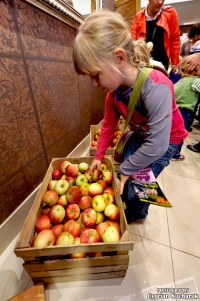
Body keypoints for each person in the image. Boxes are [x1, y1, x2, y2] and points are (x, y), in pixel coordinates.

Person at [72, 10, 188, 223]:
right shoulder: (113, 95)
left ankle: (137, 212)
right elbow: (108, 125)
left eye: (95, 75)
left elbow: (158, 145)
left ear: (118, 58)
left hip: (166, 141)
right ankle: (125, 192)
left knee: (140, 185)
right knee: (128, 165)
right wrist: (98, 157)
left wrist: (128, 169)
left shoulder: (156, 87)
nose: (94, 84)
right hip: (143, 134)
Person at [130, 0, 180, 72]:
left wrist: (175, 62)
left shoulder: (170, 13)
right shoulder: (139, 17)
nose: (160, 2)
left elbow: (175, 39)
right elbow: (133, 42)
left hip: (163, 64)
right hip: (144, 64)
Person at [170, 54, 200, 161]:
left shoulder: (181, 80)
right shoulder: (196, 81)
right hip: (185, 112)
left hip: (173, 109)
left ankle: (166, 150)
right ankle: (175, 154)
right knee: (180, 134)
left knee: (171, 132)